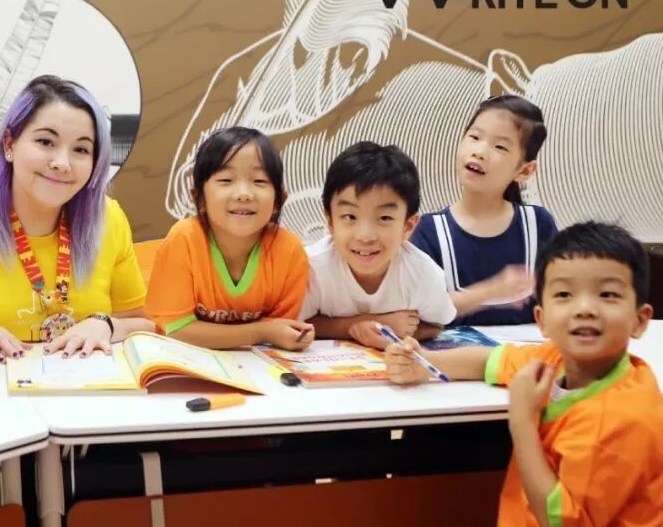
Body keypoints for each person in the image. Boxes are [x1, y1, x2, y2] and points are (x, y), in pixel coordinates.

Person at [0, 75, 153, 527]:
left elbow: (144, 322)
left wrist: (105, 325)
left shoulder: (107, 219)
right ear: (10, 144)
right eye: (46, 142)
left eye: (81, 149)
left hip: (82, 427)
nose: (62, 162)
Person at [386, 222, 663, 527]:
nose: (584, 309)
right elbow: (493, 360)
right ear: (542, 320)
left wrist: (522, 422)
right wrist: (425, 364)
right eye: (565, 294)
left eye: (607, 294)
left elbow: (560, 522)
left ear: (640, 320)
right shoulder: (556, 361)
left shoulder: (624, 417)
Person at [146, 126, 312, 349]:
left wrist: (288, 335)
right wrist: (262, 331)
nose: (244, 194)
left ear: (278, 201)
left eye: (259, 181)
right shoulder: (184, 239)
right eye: (226, 180)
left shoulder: (289, 251)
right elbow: (177, 331)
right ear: (199, 198)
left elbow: (279, 331)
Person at [412, 95, 558, 325]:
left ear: (525, 171)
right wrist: (491, 290)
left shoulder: (538, 225)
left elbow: (561, 296)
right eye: (474, 137)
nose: (479, 151)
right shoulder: (428, 231)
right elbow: (422, 312)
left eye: (500, 146)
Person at [300, 141, 456, 349]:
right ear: (330, 221)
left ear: (408, 226)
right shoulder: (311, 267)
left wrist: (392, 336)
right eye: (350, 217)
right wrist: (361, 325)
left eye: (384, 218)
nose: (365, 236)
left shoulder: (423, 273)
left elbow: (436, 324)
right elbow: (293, 324)